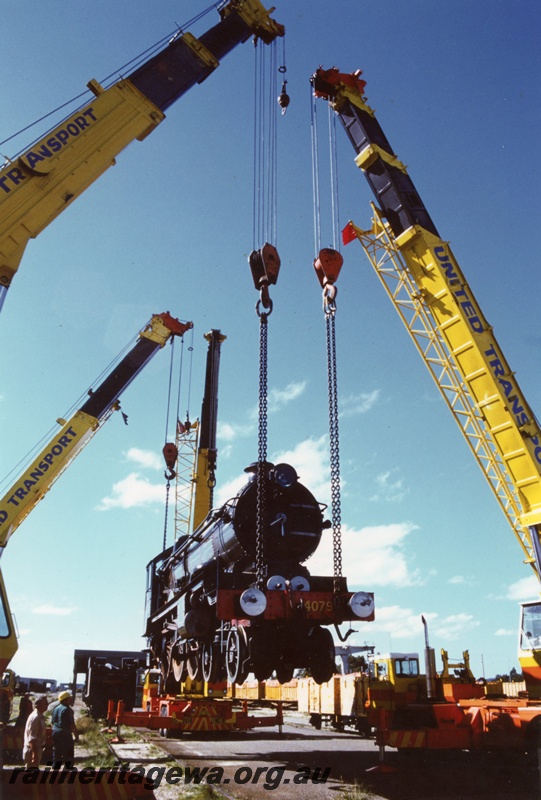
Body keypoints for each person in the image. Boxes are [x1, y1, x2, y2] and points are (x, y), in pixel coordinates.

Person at [22, 695, 49, 767]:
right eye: (45, 703)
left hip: (36, 749)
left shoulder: (39, 716)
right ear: (39, 705)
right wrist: (34, 754)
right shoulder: (35, 717)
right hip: (32, 750)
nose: (47, 705)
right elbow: (32, 739)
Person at [51, 690, 77, 765]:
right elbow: (71, 724)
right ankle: (67, 772)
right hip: (65, 734)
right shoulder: (68, 710)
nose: (71, 700)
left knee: (57, 752)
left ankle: (55, 770)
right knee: (68, 754)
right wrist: (76, 735)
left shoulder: (55, 709)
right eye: (69, 698)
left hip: (55, 733)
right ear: (65, 700)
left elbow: (52, 723)